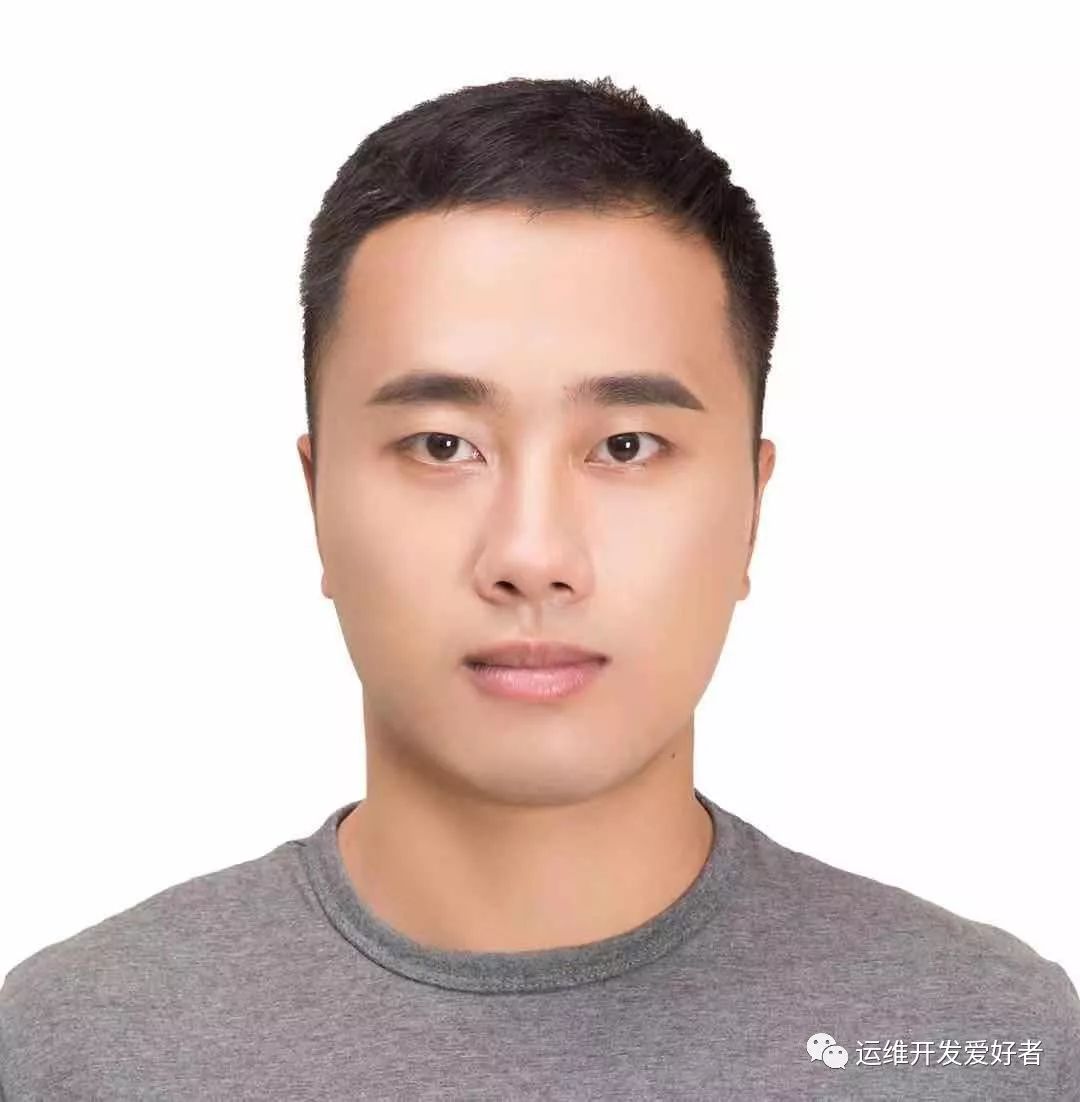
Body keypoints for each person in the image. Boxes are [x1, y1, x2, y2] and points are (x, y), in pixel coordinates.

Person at [1, 74, 1077, 1100]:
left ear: (753, 505)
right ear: (316, 497)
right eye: (441, 445)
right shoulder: (70, 1049)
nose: (530, 552)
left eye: (625, 444)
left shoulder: (989, 1043)